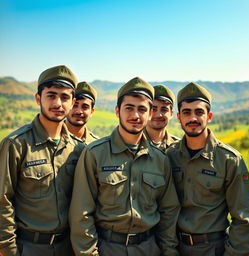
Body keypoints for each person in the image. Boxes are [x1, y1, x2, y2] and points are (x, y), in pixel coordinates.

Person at [69, 77, 180, 256]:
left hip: (149, 248)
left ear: (150, 113)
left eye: (142, 109)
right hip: (108, 248)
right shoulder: (95, 153)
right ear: (117, 111)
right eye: (129, 108)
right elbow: (81, 212)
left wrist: (168, 251)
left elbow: (169, 212)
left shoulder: (160, 159)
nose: (135, 116)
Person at [0, 65, 84, 256]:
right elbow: (2, 201)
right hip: (28, 247)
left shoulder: (78, 149)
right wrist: (9, 250)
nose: (58, 103)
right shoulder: (16, 144)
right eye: (51, 95)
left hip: (67, 247)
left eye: (64, 97)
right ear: (38, 98)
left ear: (73, 102)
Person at [167, 82, 249, 256]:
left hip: (213, 249)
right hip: (176, 248)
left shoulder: (229, 160)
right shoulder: (170, 156)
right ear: (179, 117)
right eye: (187, 112)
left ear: (209, 116)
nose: (193, 118)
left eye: (199, 112)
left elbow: (245, 219)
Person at [145, 84, 179, 152]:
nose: (158, 115)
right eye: (154, 109)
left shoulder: (179, 147)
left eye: (164, 110)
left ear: (171, 114)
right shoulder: (132, 143)